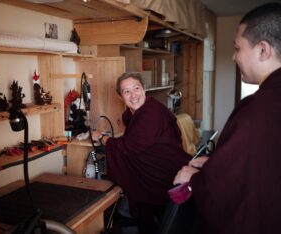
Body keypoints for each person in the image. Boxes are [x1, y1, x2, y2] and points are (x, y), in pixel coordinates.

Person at [173, 3, 281, 234]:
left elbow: (226, 193)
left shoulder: (258, 110)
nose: (233, 56)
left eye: (237, 48)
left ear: (263, 50)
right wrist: (216, 165)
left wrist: (195, 179)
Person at [91, 72, 190, 234]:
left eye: (136, 88)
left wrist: (103, 138)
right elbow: (136, 136)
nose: (133, 95)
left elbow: (130, 146)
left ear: (144, 89)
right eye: (126, 91)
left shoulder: (151, 113)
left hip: (164, 177)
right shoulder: (139, 112)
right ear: (120, 96)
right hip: (164, 173)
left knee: (159, 223)